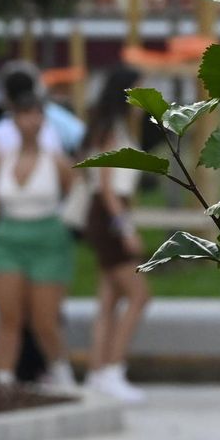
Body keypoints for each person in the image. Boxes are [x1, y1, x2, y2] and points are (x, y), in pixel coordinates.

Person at [0, 91, 77, 390]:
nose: (29, 121)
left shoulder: (56, 161)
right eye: (23, 114)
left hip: (47, 238)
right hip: (8, 239)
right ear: (14, 120)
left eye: (35, 114)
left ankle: (61, 372)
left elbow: (75, 196)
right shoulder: (0, 161)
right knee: (9, 317)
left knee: (45, 320)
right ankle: (2, 378)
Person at [82, 66, 150, 402]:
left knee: (109, 297)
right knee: (139, 295)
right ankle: (113, 369)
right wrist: (126, 229)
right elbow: (108, 187)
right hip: (110, 213)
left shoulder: (106, 124)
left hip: (103, 212)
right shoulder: (111, 128)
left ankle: (98, 371)